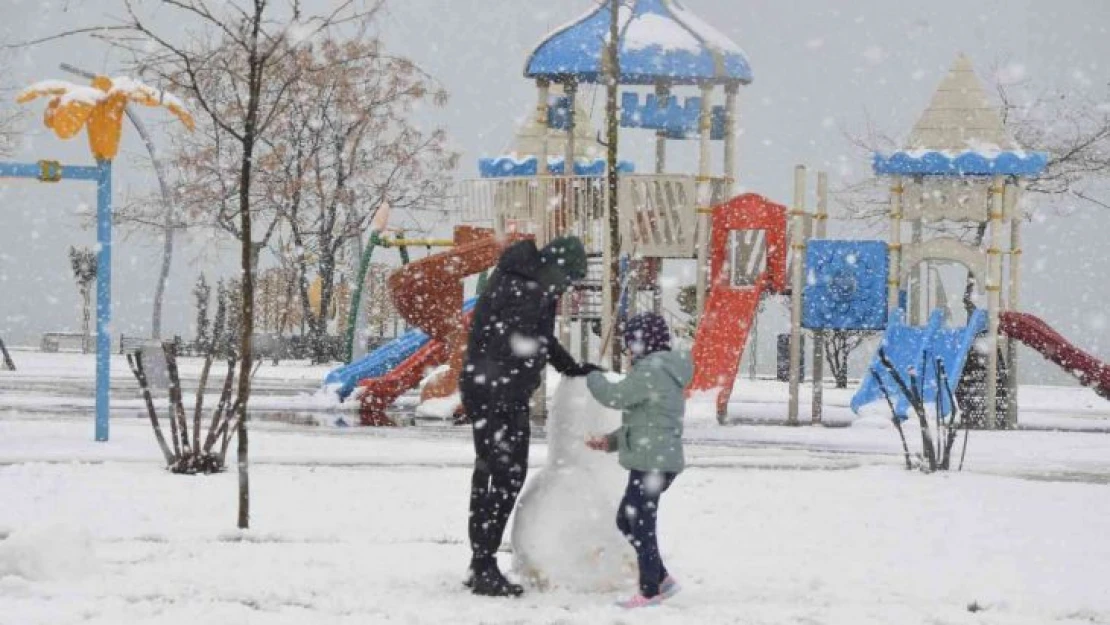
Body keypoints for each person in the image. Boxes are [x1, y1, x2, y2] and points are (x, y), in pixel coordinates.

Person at [461, 235, 599, 597]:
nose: (566, 287)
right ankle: (484, 563)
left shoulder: (526, 279)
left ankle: (481, 562)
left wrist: (571, 368)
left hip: (493, 387)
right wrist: (512, 386)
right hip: (497, 391)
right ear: (554, 266)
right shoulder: (524, 287)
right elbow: (523, 340)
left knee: (493, 472)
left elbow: (538, 338)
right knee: (504, 475)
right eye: (567, 279)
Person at [584, 312, 692, 608]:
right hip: (654, 459)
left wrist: (591, 375)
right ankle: (662, 579)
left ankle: (649, 592)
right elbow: (644, 421)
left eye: (631, 342)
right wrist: (610, 441)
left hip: (651, 463)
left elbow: (614, 396)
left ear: (644, 341)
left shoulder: (652, 371)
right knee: (627, 519)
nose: (629, 349)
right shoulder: (662, 369)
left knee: (640, 523)